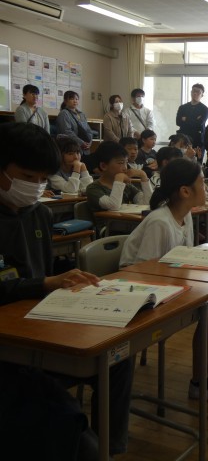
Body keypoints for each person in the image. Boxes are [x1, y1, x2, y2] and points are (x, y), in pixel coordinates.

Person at [0, 122, 133, 458]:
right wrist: (45, 284)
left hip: (41, 323)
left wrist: (71, 282)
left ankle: (110, 447)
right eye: (27, 176)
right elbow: (29, 282)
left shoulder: (39, 215)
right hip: (10, 345)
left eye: (42, 179)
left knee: (116, 355)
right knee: (64, 421)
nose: (34, 187)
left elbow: (44, 273)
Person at [119, 158, 208, 402]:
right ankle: (199, 382)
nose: (206, 189)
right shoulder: (160, 221)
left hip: (168, 281)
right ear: (185, 191)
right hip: (139, 290)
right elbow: (144, 270)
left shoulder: (185, 217)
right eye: (201, 183)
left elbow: (183, 258)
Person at [85, 141, 152, 213]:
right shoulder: (93, 189)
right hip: (107, 220)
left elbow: (147, 203)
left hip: (127, 219)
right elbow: (113, 206)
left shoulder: (127, 186)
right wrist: (119, 179)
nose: (125, 167)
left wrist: (143, 176)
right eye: (121, 163)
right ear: (103, 166)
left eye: (126, 162)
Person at [56, 90, 93, 157]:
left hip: (86, 149)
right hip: (72, 149)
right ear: (65, 101)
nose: (75, 101)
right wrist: (81, 143)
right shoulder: (64, 113)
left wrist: (90, 142)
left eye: (76, 99)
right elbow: (67, 132)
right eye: (72, 99)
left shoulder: (81, 114)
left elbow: (88, 130)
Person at [176, 83, 208, 156]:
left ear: (202, 95)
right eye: (193, 91)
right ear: (191, 92)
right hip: (183, 139)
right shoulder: (182, 107)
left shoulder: (204, 109)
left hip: (197, 140)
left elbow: (199, 123)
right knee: (182, 160)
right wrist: (194, 119)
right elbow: (178, 122)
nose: (195, 93)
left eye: (198, 92)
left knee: (196, 161)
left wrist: (186, 119)